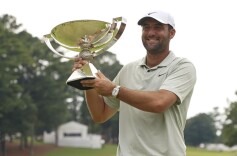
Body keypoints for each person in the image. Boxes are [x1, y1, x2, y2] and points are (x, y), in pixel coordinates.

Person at [72, 10, 197, 156]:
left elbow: (160, 103)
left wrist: (114, 90)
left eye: (158, 27)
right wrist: (89, 78)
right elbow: (100, 114)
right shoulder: (128, 70)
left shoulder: (182, 66)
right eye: (146, 27)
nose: (150, 32)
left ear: (172, 33)